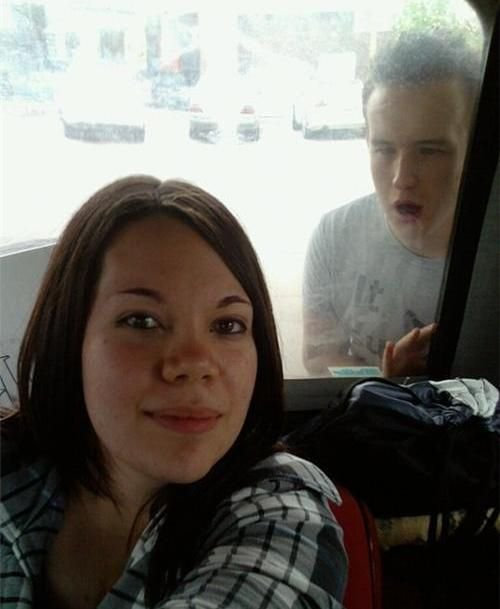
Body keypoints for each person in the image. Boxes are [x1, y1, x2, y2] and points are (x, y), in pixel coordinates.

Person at [0, 176, 347, 608]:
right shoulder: (13, 470)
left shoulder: (280, 516)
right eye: (142, 321)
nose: (195, 363)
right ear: (69, 338)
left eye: (227, 325)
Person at [303, 29, 481, 378]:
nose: (402, 178)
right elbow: (319, 357)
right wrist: (388, 381)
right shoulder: (335, 235)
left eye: (429, 151)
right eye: (384, 149)